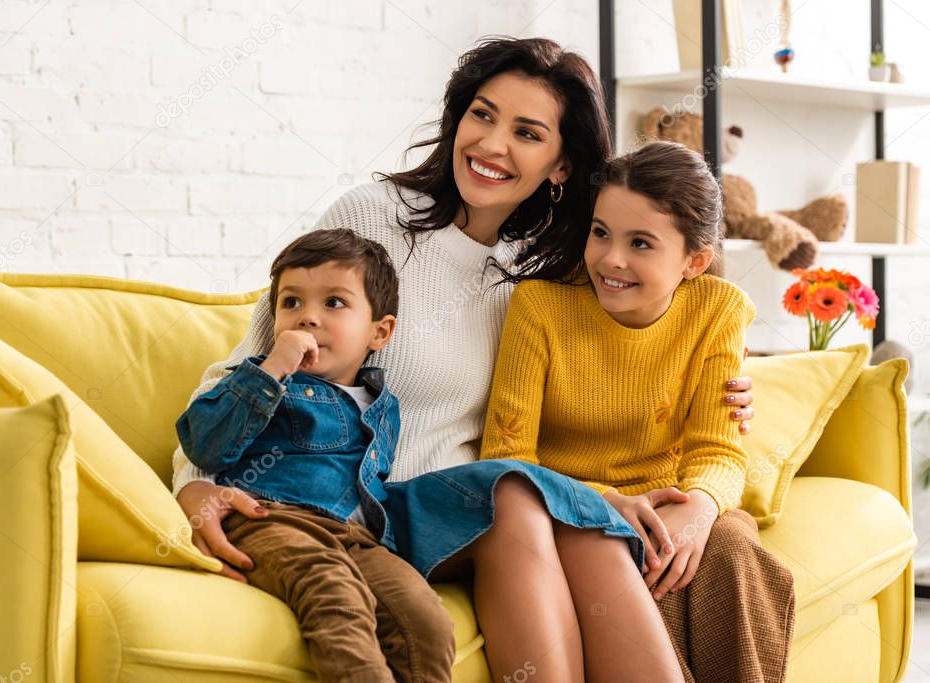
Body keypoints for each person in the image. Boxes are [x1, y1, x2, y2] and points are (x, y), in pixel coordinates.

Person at [172, 37, 780, 683]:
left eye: (526, 132)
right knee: (521, 495)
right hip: (371, 503)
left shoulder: (547, 272)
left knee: (579, 516)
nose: (492, 145)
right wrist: (193, 483)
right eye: (482, 115)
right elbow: (246, 368)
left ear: (561, 165)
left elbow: (667, 308)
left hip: (450, 508)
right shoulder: (369, 221)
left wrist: (741, 381)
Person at [481, 140, 794, 681]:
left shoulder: (720, 308)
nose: (610, 259)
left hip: (673, 500)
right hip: (572, 507)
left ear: (694, 261)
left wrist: (699, 509)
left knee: (732, 552)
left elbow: (718, 446)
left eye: (641, 243)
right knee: (649, 562)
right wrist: (605, 501)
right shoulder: (540, 308)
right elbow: (507, 456)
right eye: (600, 232)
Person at [175, 229, 456, 683]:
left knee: (425, 619)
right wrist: (271, 370)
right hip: (270, 520)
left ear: (379, 332)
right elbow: (203, 442)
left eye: (334, 303)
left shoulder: (384, 406)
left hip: (356, 538)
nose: (307, 318)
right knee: (335, 595)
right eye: (291, 303)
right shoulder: (257, 380)